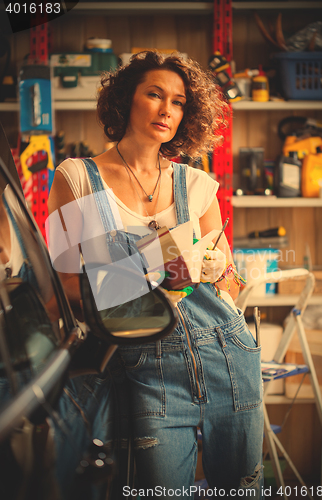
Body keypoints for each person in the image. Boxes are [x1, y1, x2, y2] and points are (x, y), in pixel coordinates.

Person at [48, 50, 264, 499]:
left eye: (180, 101)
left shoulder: (196, 184)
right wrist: (155, 267)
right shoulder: (78, 179)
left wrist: (220, 268)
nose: (168, 109)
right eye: (154, 94)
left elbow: (228, 284)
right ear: (126, 99)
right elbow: (67, 289)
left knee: (243, 491)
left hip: (228, 356)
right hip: (150, 371)